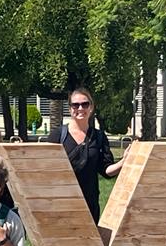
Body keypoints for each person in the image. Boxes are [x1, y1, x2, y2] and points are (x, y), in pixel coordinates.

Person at [47, 88, 129, 225]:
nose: (80, 108)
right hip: (61, 202)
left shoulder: (99, 137)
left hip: (89, 203)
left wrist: (124, 161)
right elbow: (45, 168)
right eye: (75, 105)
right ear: (70, 108)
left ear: (91, 107)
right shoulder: (57, 135)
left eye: (85, 104)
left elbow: (106, 170)